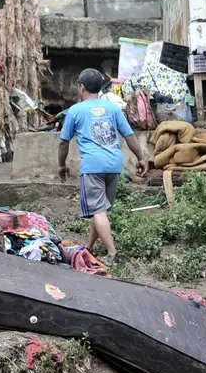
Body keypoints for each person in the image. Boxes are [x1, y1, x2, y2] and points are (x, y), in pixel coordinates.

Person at [58, 68, 149, 263]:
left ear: (81, 88)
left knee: (98, 210)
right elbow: (129, 135)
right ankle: (89, 247)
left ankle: (112, 253)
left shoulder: (75, 111)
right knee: (101, 210)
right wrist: (141, 158)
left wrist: (61, 165)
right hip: (114, 164)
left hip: (93, 166)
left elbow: (63, 142)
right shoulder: (113, 109)